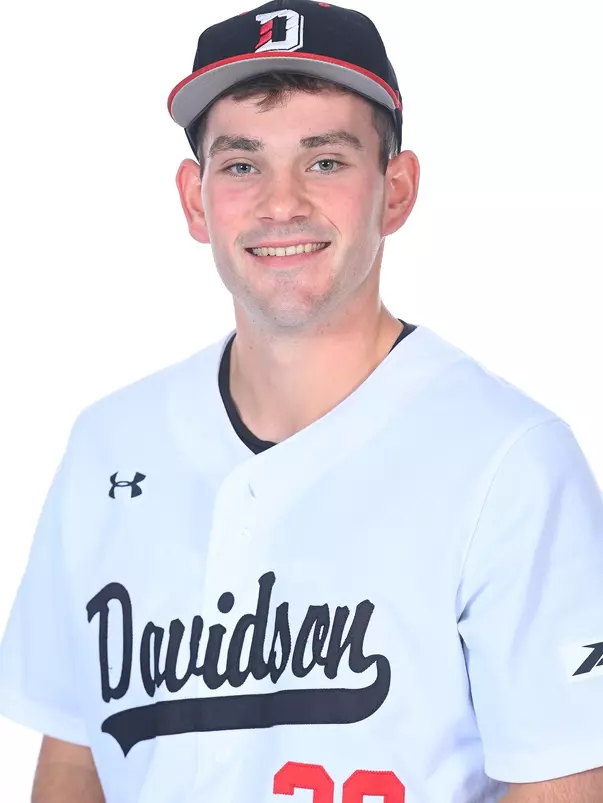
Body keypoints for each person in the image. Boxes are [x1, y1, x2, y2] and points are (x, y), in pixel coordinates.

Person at [1, 0, 603, 800]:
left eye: (325, 160)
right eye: (242, 163)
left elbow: (562, 779)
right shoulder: (110, 444)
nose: (280, 203)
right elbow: (76, 757)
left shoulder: (510, 460)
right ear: (194, 198)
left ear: (396, 190)